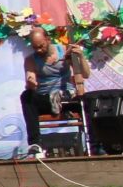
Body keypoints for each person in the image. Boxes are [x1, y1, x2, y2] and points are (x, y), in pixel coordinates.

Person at [19, 25, 88, 155]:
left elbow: (86, 74)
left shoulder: (64, 51)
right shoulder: (30, 60)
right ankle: (35, 143)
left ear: (48, 39)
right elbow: (31, 77)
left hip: (67, 98)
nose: (39, 50)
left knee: (88, 100)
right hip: (46, 100)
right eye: (35, 47)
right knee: (26, 96)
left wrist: (81, 57)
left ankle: (95, 143)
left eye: (41, 46)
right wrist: (31, 83)